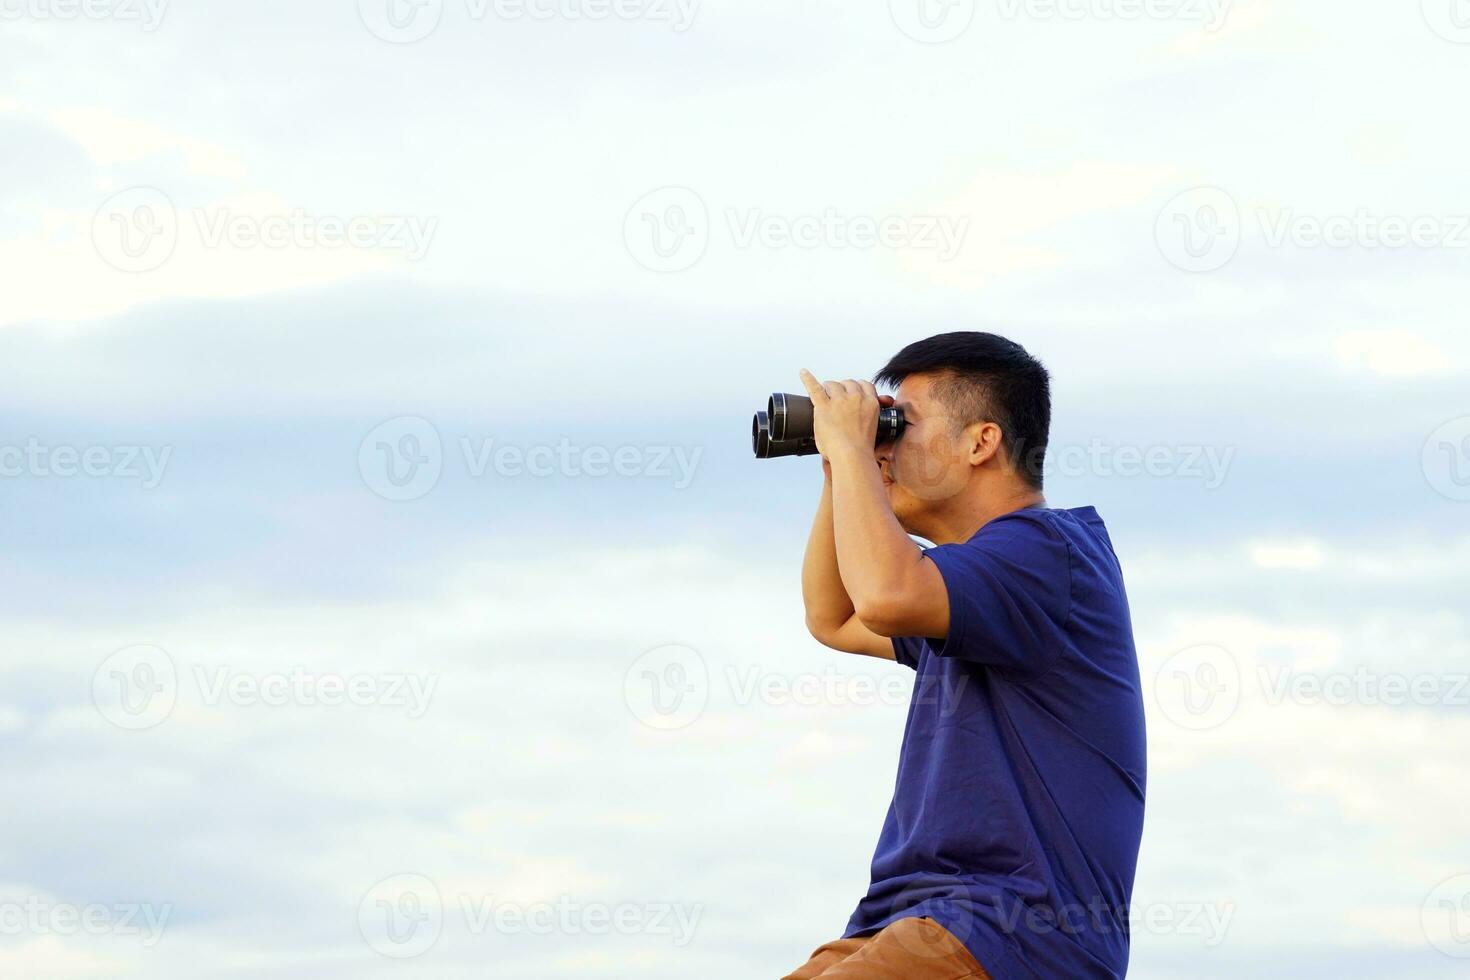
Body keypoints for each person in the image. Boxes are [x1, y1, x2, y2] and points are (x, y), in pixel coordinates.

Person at [785, 332, 1147, 979]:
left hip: (1012, 931)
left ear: (982, 442)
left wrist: (850, 446)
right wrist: (846, 466)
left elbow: (884, 595)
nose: (886, 446)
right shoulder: (971, 585)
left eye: (901, 423)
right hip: (916, 923)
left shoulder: (1046, 554)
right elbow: (835, 614)